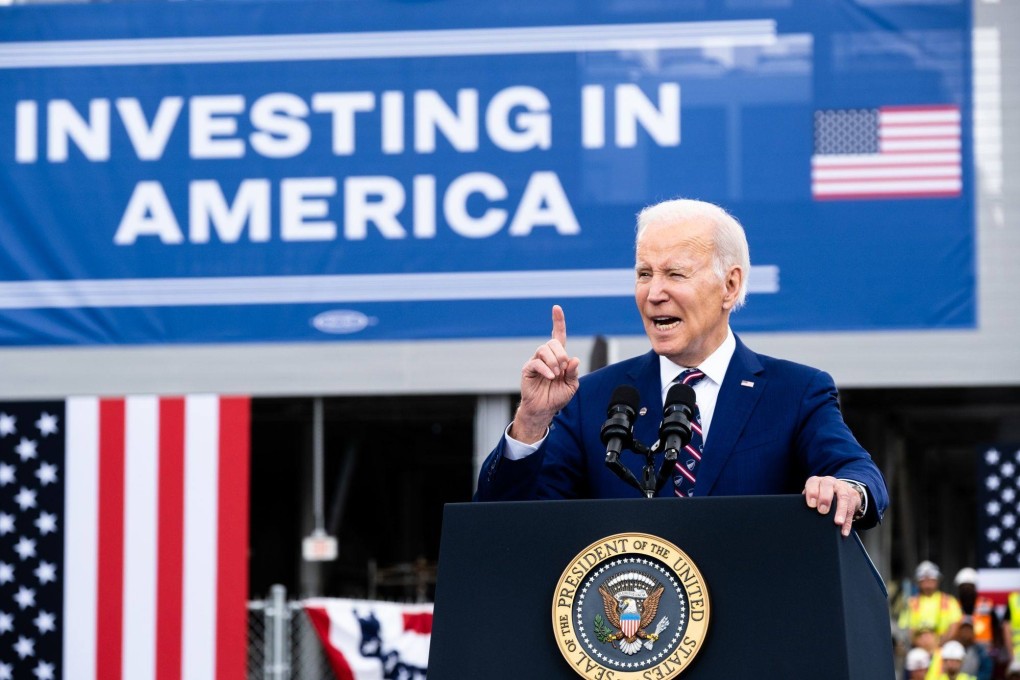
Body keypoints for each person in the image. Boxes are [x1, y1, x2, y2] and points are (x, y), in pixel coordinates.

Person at [474, 198, 889, 535]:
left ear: (730, 285)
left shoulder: (796, 392)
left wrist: (846, 488)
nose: (654, 293)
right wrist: (530, 423)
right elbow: (504, 526)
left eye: (675, 274)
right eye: (644, 273)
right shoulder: (593, 400)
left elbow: (858, 473)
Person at [899, 561, 962, 643]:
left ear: (938, 580)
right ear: (918, 582)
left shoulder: (950, 601)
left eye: (931, 578)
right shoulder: (911, 602)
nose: (927, 580)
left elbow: (955, 626)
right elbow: (906, 628)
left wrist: (940, 643)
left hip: (944, 645)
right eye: (923, 578)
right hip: (918, 648)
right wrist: (920, 643)